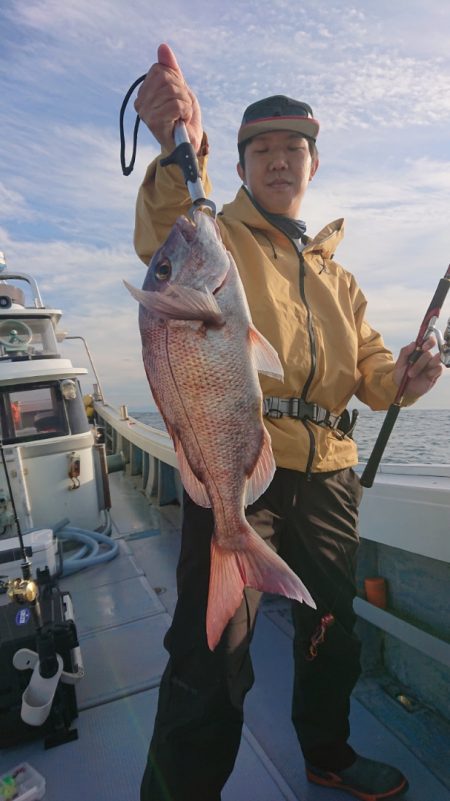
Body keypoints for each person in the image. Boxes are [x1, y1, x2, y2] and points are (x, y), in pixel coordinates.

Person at [132, 43, 443, 801]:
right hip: (241, 458)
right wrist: (181, 146)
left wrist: (405, 377)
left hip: (331, 474)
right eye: (262, 149)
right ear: (240, 166)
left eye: (293, 148)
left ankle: (327, 754)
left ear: (313, 164)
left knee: (333, 632)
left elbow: (373, 374)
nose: (278, 160)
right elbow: (168, 229)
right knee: (212, 650)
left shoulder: (343, 279)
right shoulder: (218, 234)